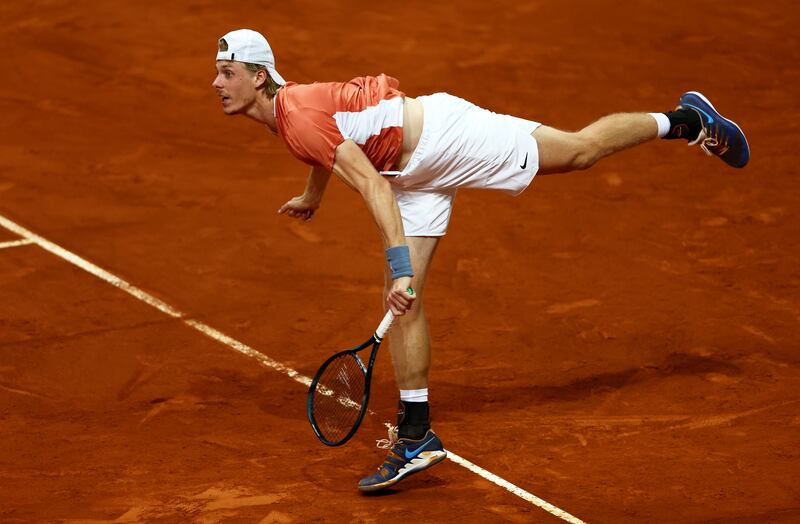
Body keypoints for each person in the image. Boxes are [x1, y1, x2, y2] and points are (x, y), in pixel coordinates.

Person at [211, 28, 749, 492]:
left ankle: (685, 121)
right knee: (402, 303)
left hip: (447, 140)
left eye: (227, 72)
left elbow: (370, 186)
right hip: (410, 174)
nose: (217, 83)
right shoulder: (285, 115)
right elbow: (331, 148)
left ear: (259, 77)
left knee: (579, 152)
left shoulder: (295, 115)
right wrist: (314, 195)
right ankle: (417, 437)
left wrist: (400, 265)